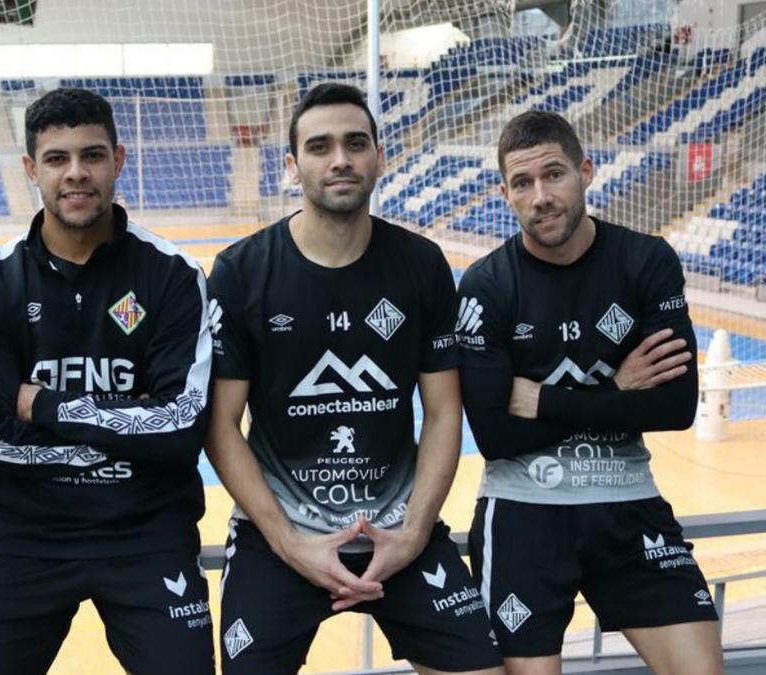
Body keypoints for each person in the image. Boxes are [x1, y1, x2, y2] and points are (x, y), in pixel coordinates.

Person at [206, 82, 503, 675]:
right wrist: (289, 543)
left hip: (400, 530)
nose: (340, 159)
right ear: (293, 167)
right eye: (320, 147)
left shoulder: (420, 264)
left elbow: (445, 411)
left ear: (379, 156)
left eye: (355, 143)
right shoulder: (242, 272)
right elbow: (220, 426)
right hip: (280, 537)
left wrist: (415, 533)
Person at [0, 87, 214, 674]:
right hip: (28, 540)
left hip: (147, 535)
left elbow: (180, 431)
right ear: (30, 170)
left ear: (118, 159)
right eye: (56, 159)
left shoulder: (173, 275)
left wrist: (41, 406)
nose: (76, 174)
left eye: (92, 155)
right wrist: (127, 423)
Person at [457, 109, 722, 675]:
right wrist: (620, 389)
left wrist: (545, 401)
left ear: (587, 171)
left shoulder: (646, 260)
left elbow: (675, 407)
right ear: (505, 193)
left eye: (554, 174)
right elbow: (495, 435)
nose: (541, 196)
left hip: (628, 501)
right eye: (522, 183)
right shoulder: (486, 283)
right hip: (525, 511)